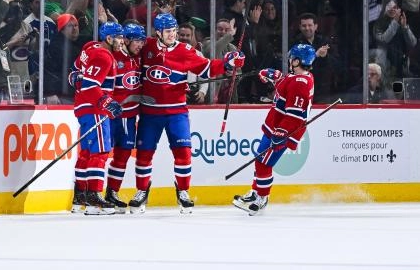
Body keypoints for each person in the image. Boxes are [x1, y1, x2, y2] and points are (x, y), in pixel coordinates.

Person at [129, 13, 245, 214]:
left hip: (176, 112)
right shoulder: (146, 47)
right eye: (168, 31)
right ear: (158, 32)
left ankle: (183, 191)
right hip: (150, 113)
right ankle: (142, 191)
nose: (173, 35)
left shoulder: (185, 51)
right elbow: (126, 53)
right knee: (144, 155)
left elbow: (207, 68)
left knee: (183, 154)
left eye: (174, 30)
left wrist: (227, 63)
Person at [233, 43, 316, 216]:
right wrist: (274, 76)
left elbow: (294, 114)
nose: (290, 59)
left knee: (264, 162)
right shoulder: (297, 78)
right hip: (275, 126)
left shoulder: (301, 83)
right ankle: (256, 192)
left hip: (282, 130)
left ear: (298, 61)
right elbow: (286, 85)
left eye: (293, 57)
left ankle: (262, 198)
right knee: (261, 159)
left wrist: (282, 133)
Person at [70, 22, 124, 215]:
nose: (122, 41)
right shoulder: (104, 56)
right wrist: (106, 103)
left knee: (86, 153)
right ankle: (94, 199)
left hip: (83, 108)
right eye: (118, 37)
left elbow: (75, 72)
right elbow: (90, 86)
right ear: (108, 39)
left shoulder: (90, 46)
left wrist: (76, 79)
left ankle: (79, 197)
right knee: (100, 152)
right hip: (95, 109)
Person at [105, 22, 146, 214]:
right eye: (137, 41)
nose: (141, 45)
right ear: (127, 40)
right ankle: (90, 193)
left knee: (122, 156)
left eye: (142, 41)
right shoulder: (113, 57)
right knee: (101, 154)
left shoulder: (140, 59)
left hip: (130, 118)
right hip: (111, 116)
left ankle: (112, 192)